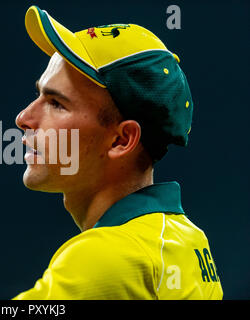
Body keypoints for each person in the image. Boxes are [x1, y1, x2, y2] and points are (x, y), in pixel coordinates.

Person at [12, 6, 223, 299]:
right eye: (39, 95)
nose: (23, 118)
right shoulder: (187, 239)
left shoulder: (102, 258)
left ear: (121, 140)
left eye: (57, 103)